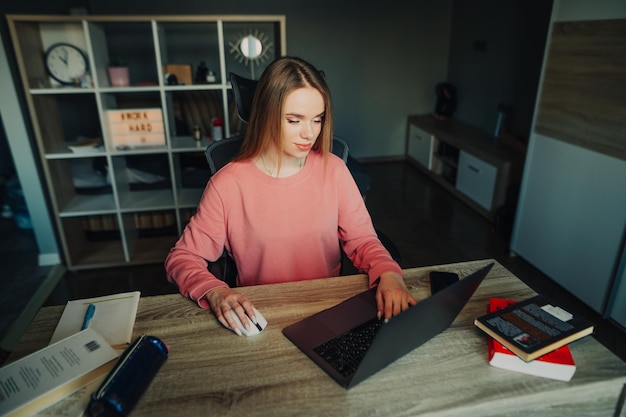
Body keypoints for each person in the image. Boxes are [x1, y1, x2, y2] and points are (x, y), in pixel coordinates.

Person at [165, 56, 416, 334]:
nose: (309, 133)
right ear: (266, 115)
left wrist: (389, 273)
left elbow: (363, 239)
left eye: (317, 120)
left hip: (325, 311)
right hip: (261, 315)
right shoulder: (227, 185)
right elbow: (182, 258)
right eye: (294, 120)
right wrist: (215, 291)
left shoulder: (333, 170)